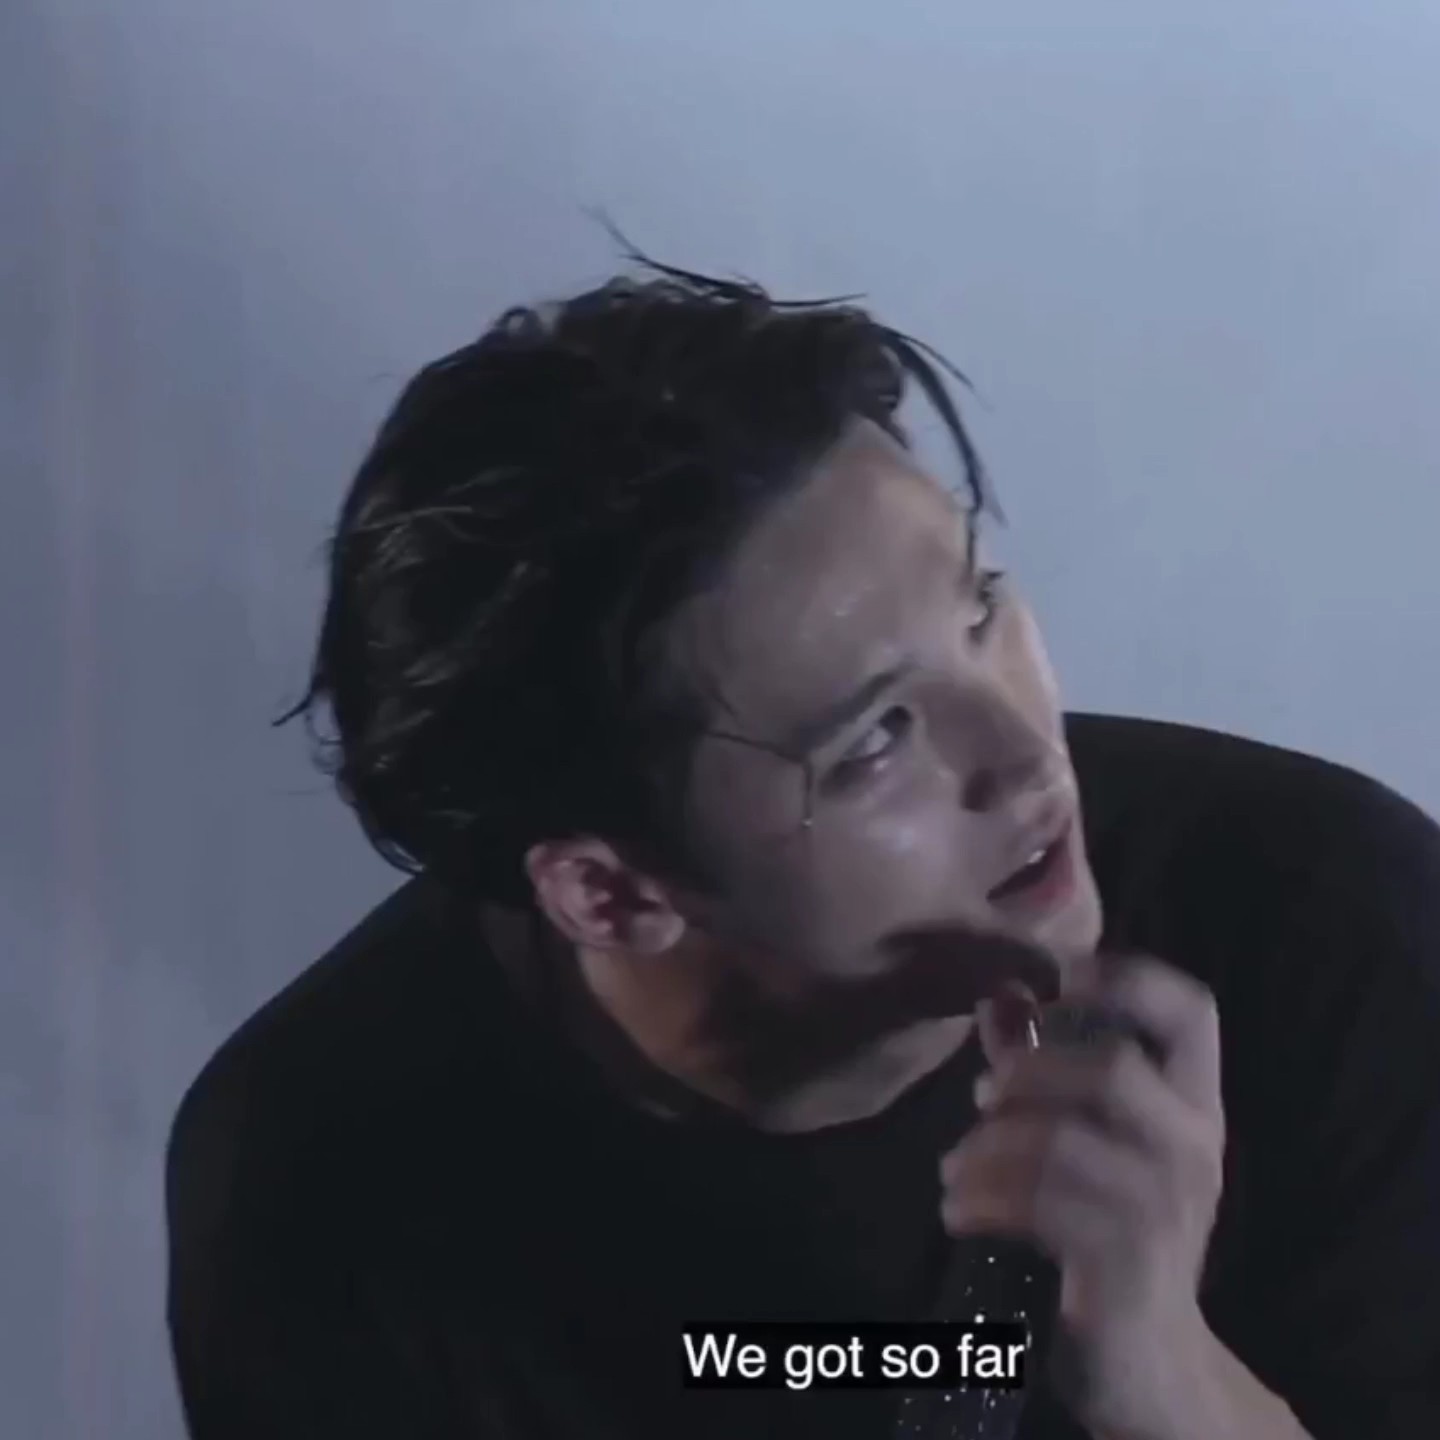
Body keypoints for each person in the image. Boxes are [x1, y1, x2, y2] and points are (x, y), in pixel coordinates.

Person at [165, 256, 1440, 1440]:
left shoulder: (1327, 929)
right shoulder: (322, 1185)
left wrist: (1167, 1378)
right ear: (610, 893)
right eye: (876, 739)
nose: (1025, 754)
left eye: (982, 610)